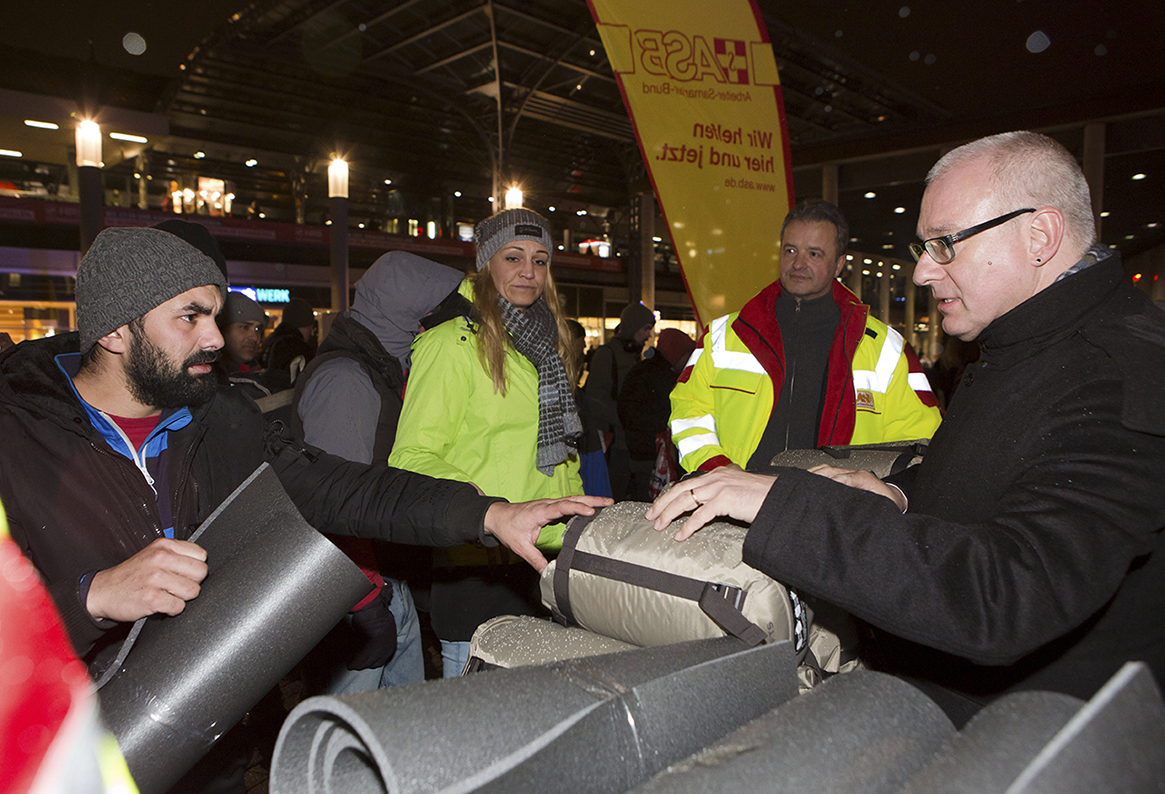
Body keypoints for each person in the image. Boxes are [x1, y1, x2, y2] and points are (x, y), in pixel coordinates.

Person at [647, 131, 1165, 725]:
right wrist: (896, 492)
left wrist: (787, 503)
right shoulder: (1024, 346)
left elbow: (1004, 594)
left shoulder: (1122, 377)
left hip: (1025, 740)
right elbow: (995, 476)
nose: (920, 271)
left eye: (944, 244)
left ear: (1040, 235)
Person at [0, 226, 604, 682]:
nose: (215, 337)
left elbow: (341, 488)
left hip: (209, 733)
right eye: (190, 317)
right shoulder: (18, 437)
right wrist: (91, 597)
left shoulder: (221, 419)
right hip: (69, 743)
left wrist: (489, 514)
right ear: (114, 331)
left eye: (214, 315)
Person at [388, 209, 584, 677]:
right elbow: (410, 458)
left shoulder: (544, 345)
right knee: (477, 736)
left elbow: (558, 454)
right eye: (513, 257)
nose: (528, 272)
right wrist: (491, 512)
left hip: (545, 562)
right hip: (478, 564)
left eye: (540, 260)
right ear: (485, 262)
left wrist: (577, 524)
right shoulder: (450, 344)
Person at [291, 251, 463, 694]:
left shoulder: (374, 370)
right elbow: (332, 504)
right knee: (345, 740)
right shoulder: (348, 381)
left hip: (377, 581)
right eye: (435, 316)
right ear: (412, 317)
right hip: (355, 591)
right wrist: (366, 601)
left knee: (388, 736)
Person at [669, 199, 941, 474]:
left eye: (814, 254)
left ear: (838, 265)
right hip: (733, 505)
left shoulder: (885, 349)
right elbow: (688, 410)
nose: (798, 263)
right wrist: (717, 470)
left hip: (833, 510)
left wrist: (866, 494)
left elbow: (919, 443)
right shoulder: (726, 334)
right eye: (790, 250)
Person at [584, 301, 656, 498]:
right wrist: (626, 417)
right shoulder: (607, 354)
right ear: (633, 326)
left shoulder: (634, 356)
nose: (648, 335)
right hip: (616, 444)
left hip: (631, 443)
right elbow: (596, 398)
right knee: (612, 497)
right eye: (645, 329)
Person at [617, 328, 696, 501]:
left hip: (642, 453)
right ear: (676, 353)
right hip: (651, 455)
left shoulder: (644, 370)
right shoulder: (664, 376)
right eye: (686, 354)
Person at [261, 296, 316, 384]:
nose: (310, 334)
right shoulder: (299, 348)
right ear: (306, 326)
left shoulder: (271, 342)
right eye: (310, 329)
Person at [217, 292, 267, 374]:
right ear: (222, 330)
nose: (255, 337)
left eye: (258, 329)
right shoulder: (201, 380)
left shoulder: (265, 380)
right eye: (245, 327)